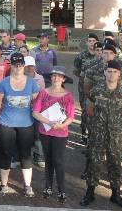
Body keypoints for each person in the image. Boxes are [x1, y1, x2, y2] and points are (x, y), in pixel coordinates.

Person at [80, 61, 122, 208]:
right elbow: (90, 110)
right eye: (109, 71)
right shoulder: (96, 90)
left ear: (119, 74)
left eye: (115, 72)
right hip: (97, 133)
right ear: (104, 73)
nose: (112, 74)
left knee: (115, 163)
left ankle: (115, 194)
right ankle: (90, 193)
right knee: (94, 162)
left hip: (116, 135)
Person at [0, 53, 40, 197]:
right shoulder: (4, 82)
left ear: (24, 65)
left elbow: (35, 102)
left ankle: (27, 186)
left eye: (20, 64)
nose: (18, 67)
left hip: (26, 124)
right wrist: (9, 110)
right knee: (5, 153)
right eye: (15, 64)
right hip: (6, 124)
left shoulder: (32, 83)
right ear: (11, 65)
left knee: (25, 154)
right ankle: (4, 184)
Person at [31, 66, 75, 204]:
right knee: (48, 160)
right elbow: (35, 112)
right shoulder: (43, 93)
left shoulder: (68, 96)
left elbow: (71, 117)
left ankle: (61, 189)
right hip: (45, 131)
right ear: (51, 78)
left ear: (63, 79)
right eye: (54, 76)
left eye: (59, 76)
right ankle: (48, 187)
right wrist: (49, 122)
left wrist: (61, 125)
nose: (56, 78)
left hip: (61, 133)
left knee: (58, 161)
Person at [73, 33, 100, 144]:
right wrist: (85, 79)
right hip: (83, 88)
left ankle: (94, 133)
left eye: (94, 41)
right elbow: (76, 71)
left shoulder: (100, 55)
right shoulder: (81, 56)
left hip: (98, 89)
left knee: (97, 111)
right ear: (86, 43)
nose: (92, 43)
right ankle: (84, 131)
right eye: (90, 41)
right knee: (85, 110)